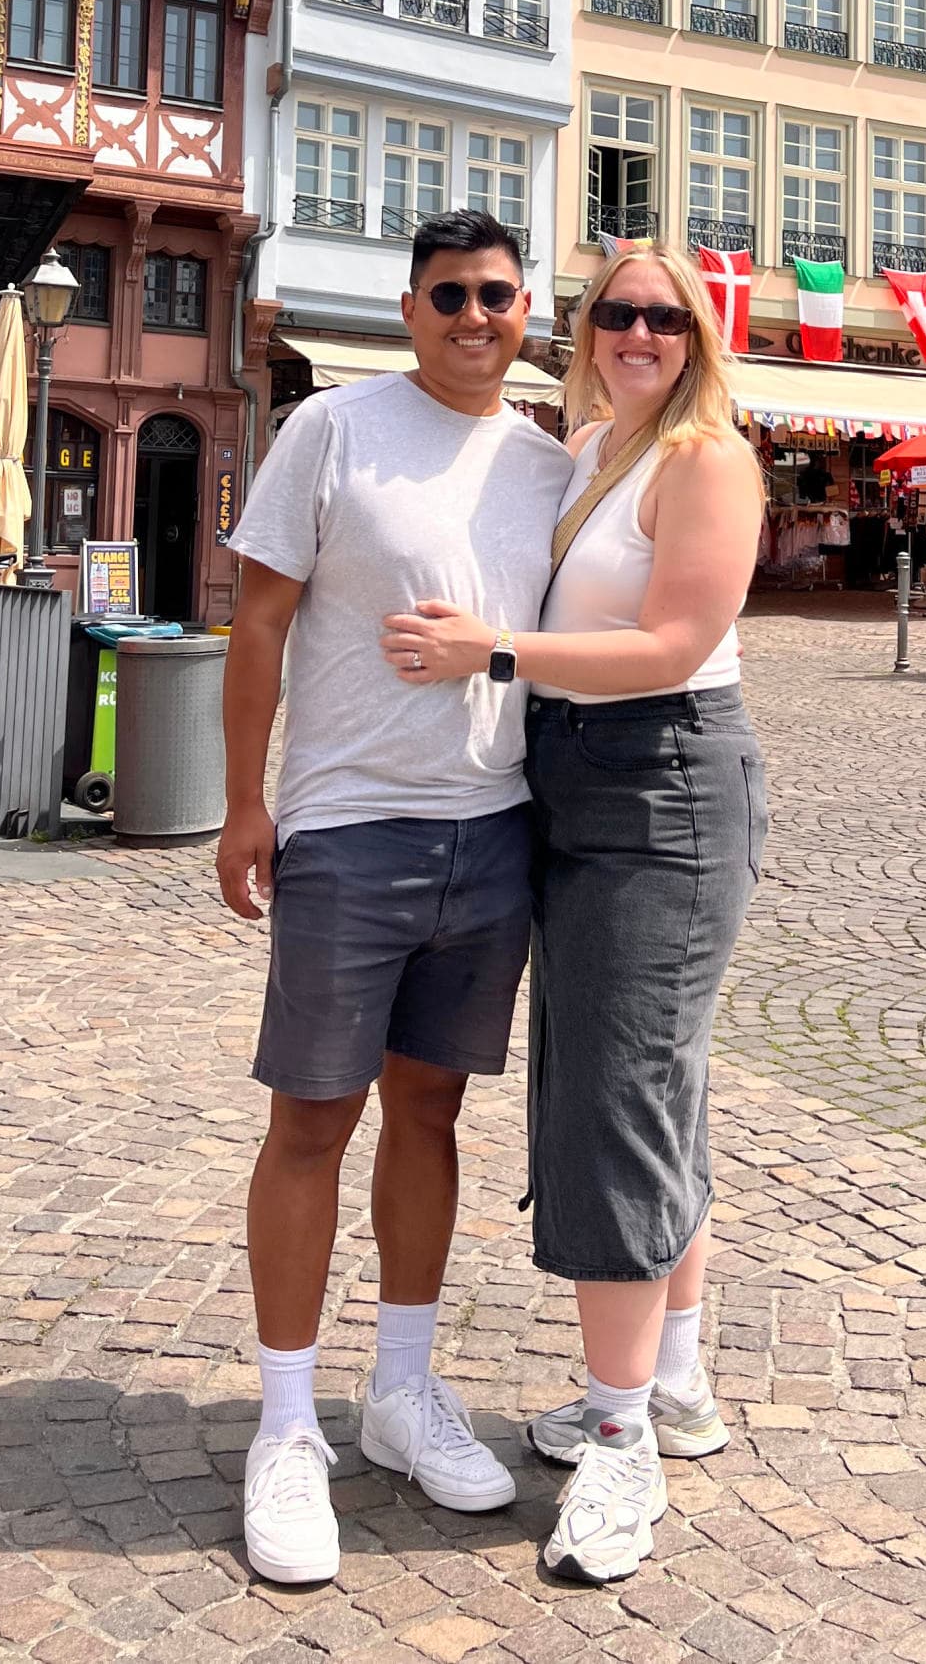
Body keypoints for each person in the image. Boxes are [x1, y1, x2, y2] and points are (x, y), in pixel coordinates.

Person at [383, 244, 765, 1586]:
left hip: (662, 783)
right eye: (618, 311)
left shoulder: (706, 460)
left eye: (665, 315)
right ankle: (673, 1380)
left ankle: (618, 1440)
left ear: (697, 335)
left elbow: (671, 644)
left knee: (613, 1100)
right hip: (579, 779)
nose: (639, 331)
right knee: (654, 1088)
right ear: (588, 328)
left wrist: (489, 651)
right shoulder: (596, 445)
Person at [214, 211, 573, 1586]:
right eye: (450, 294)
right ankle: (287, 1424)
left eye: (497, 294)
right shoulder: (334, 429)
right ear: (409, 308)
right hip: (350, 824)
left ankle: (402, 1391)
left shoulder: (548, 463)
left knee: (431, 1111)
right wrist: (246, 802)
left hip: (492, 830)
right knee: (311, 1118)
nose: (476, 315)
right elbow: (257, 620)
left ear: (526, 308)